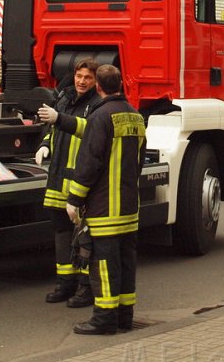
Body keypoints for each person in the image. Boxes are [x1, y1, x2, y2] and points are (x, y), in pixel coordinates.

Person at [67, 64, 145, 335]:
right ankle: (125, 316)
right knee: (126, 262)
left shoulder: (100, 117)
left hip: (105, 209)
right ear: (120, 84)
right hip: (129, 207)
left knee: (103, 265)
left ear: (98, 87)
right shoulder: (136, 117)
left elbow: (90, 162)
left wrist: (74, 199)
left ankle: (104, 319)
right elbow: (139, 162)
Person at [36, 59, 100, 308]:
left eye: (88, 78)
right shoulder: (66, 98)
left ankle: (86, 287)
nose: (82, 81)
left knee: (83, 237)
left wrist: (59, 118)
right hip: (58, 177)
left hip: (80, 181)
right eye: (79, 76)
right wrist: (44, 144)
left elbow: (89, 130)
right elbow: (53, 130)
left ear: (96, 81)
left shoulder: (96, 104)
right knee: (61, 233)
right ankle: (65, 283)